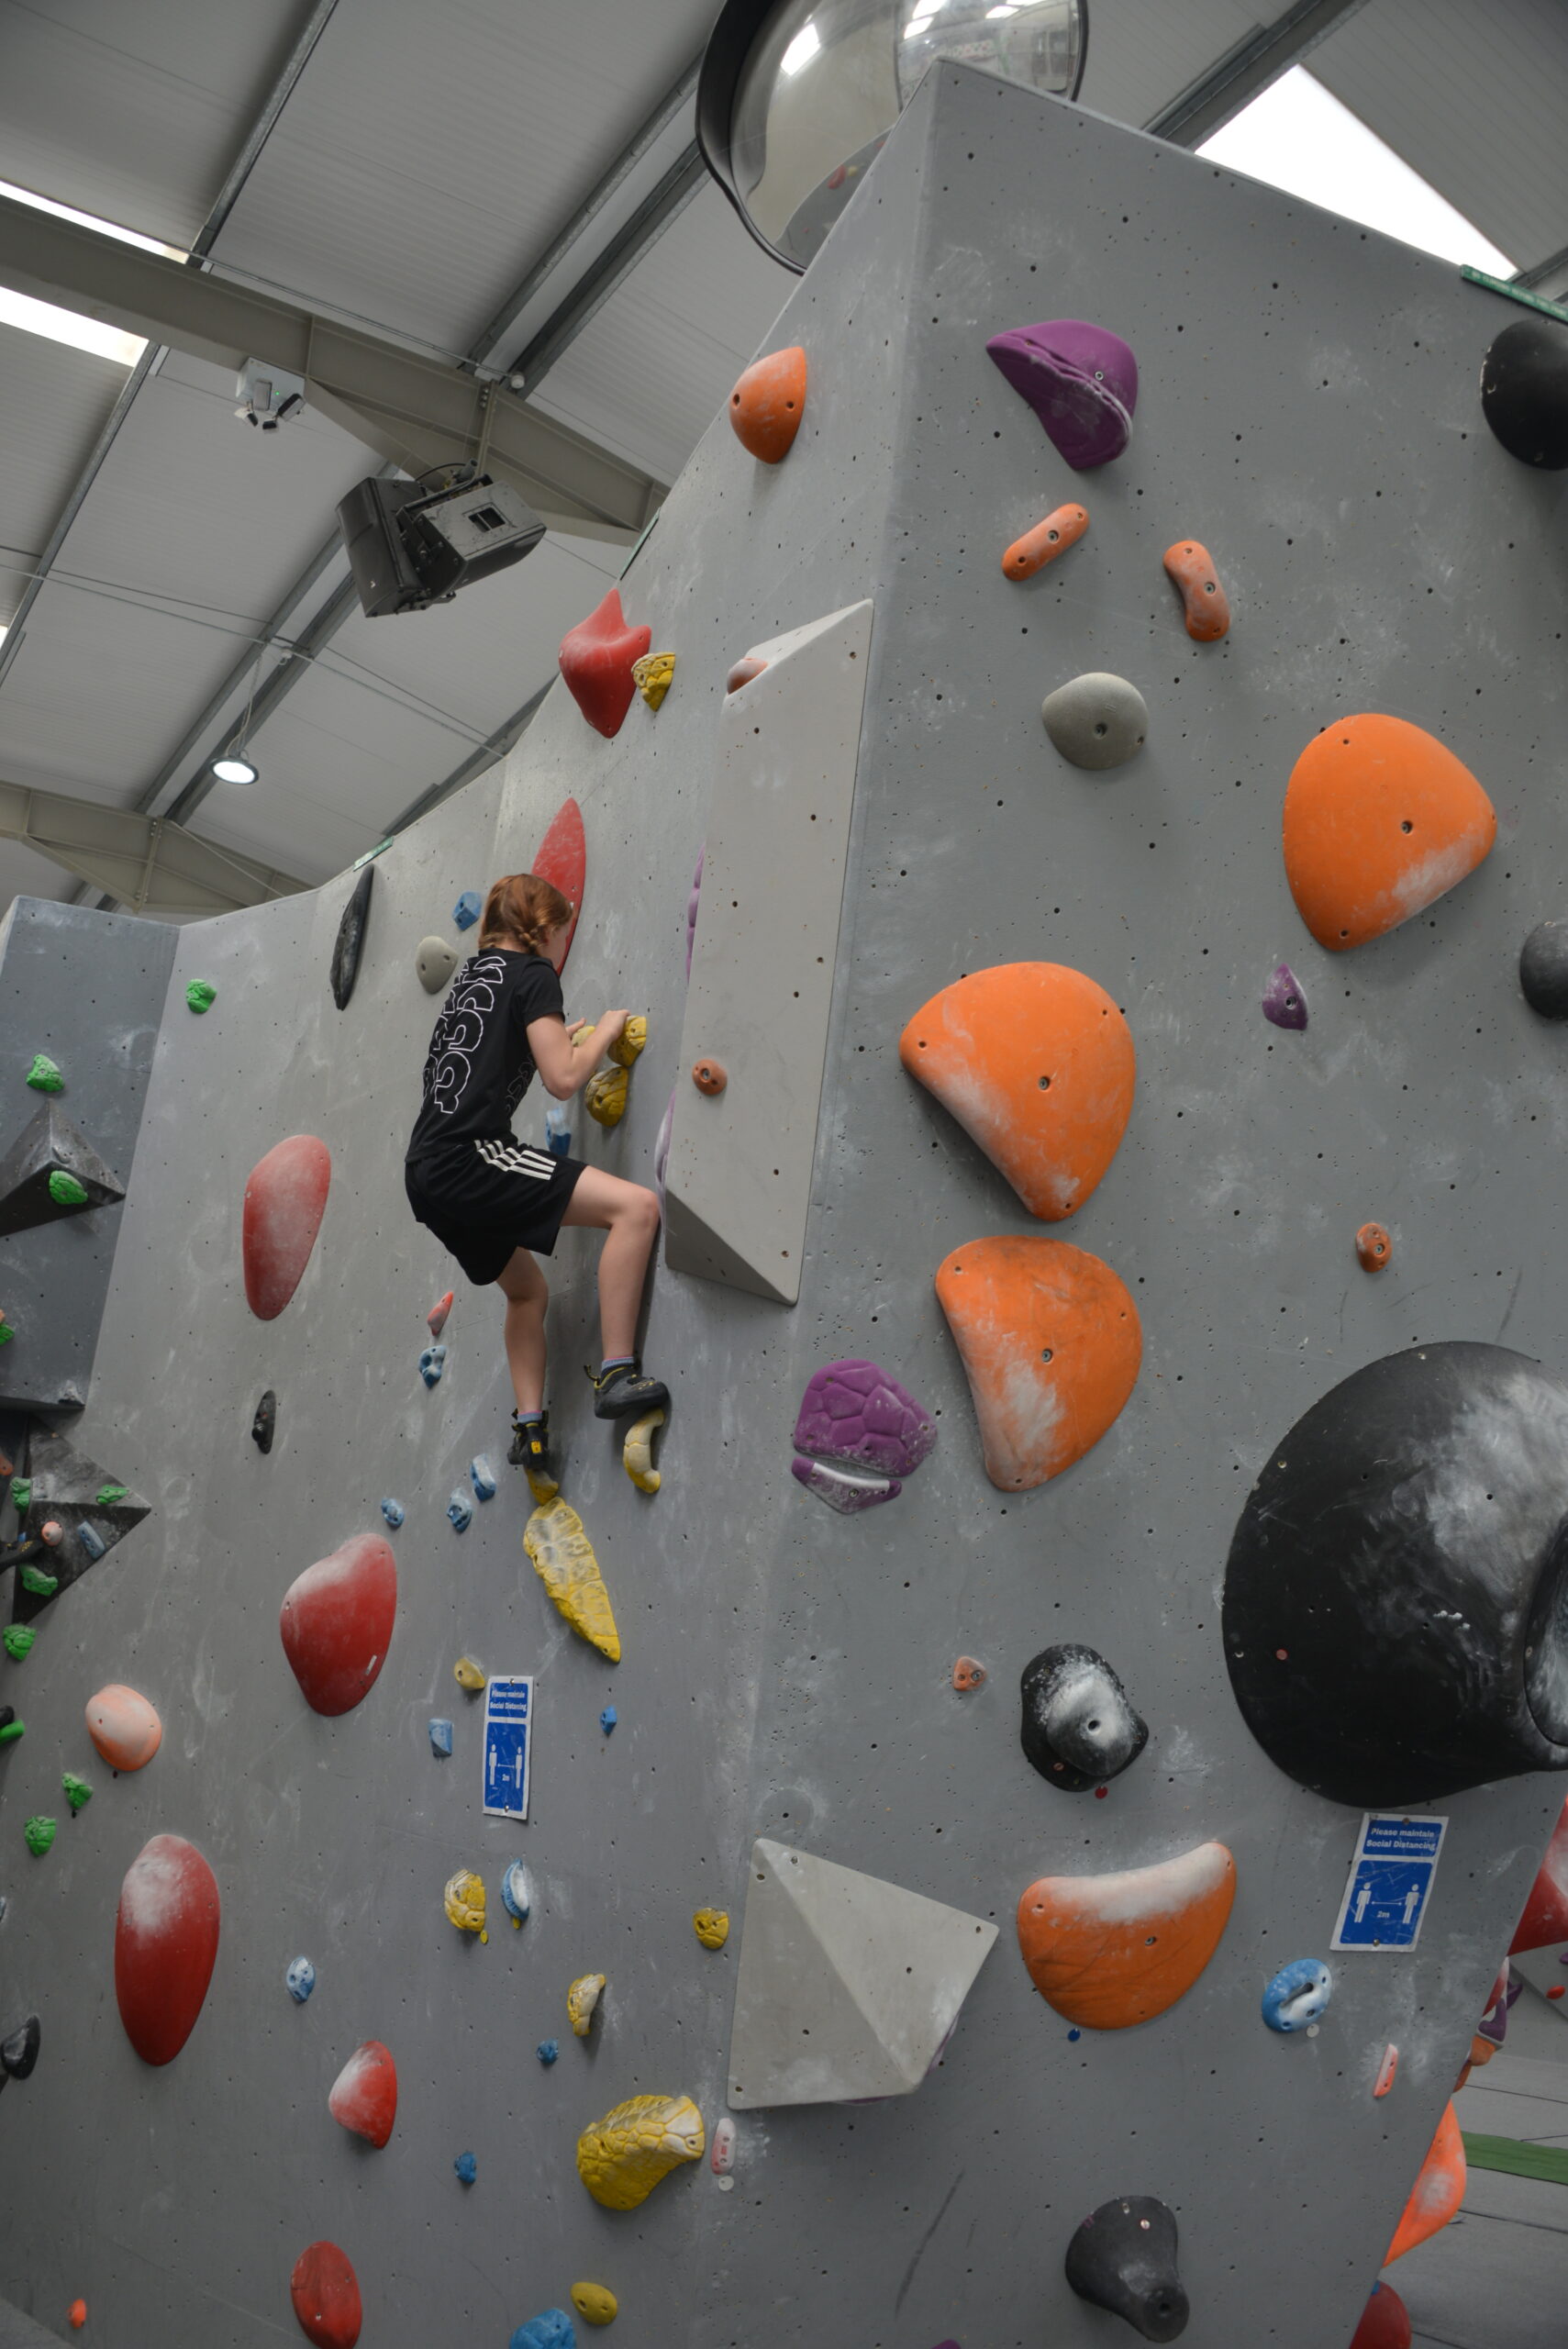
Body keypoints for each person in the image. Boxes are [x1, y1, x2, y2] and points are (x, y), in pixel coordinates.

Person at [404, 871, 667, 1492]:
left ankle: (529, 1428)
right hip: (469, 1155)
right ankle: (618, 1372)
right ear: (541, 928)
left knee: (526, 1293)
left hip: (426, 1169)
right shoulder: (533, 974)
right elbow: (563, 1080)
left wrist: (562, 1037)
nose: (558, 945)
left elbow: (505, 1052)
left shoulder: (473, 979)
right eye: (559, 933)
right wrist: (603, 1030)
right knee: (635, 1209)